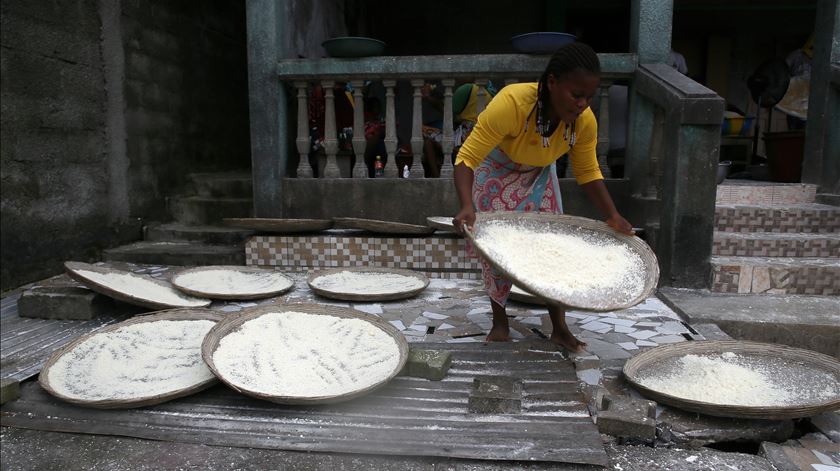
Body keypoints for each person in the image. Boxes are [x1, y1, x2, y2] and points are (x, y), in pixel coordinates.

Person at [451, 42, 635, 353]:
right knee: (496, 250)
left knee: (553, 247)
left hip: (539, 174)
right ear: (552, 82)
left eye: (589, 97)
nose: (581, 104)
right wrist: (467, 205)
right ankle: (500, 322)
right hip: (495, 170)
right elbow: (466, 157)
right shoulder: (511, 104)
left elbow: (588, 171)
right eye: (576, 95)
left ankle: (560, 328)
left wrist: (612, 215)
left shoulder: (584, 121)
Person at [421, 82, 497, 177]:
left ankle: (436, 175)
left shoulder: (467, 89)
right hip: (478, 132)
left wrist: (429, 97)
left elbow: (449, 111)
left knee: (426, 135)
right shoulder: (489, 89)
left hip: (467, 133)